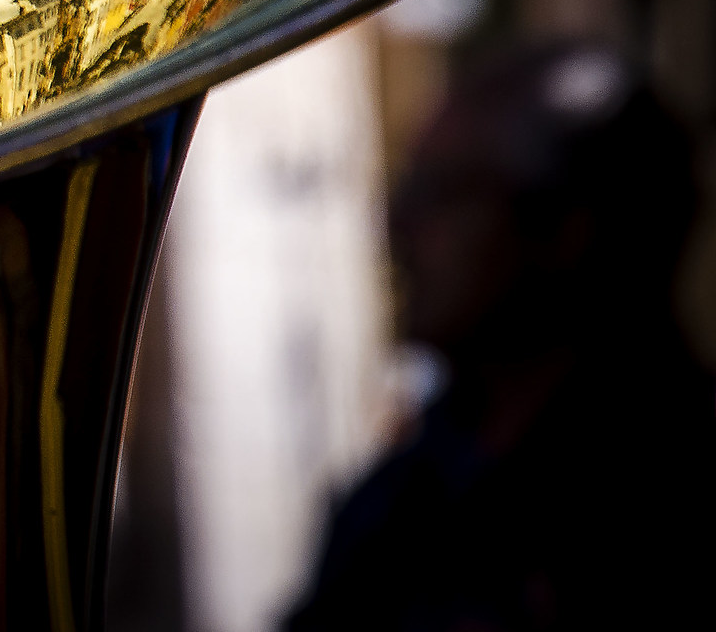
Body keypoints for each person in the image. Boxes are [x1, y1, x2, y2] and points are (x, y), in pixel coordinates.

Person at [287, 43, 716, 631]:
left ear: (567, 228)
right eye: (407, 187)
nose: (398, 226)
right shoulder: (402, 496)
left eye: (443, 192)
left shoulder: (670, 505)